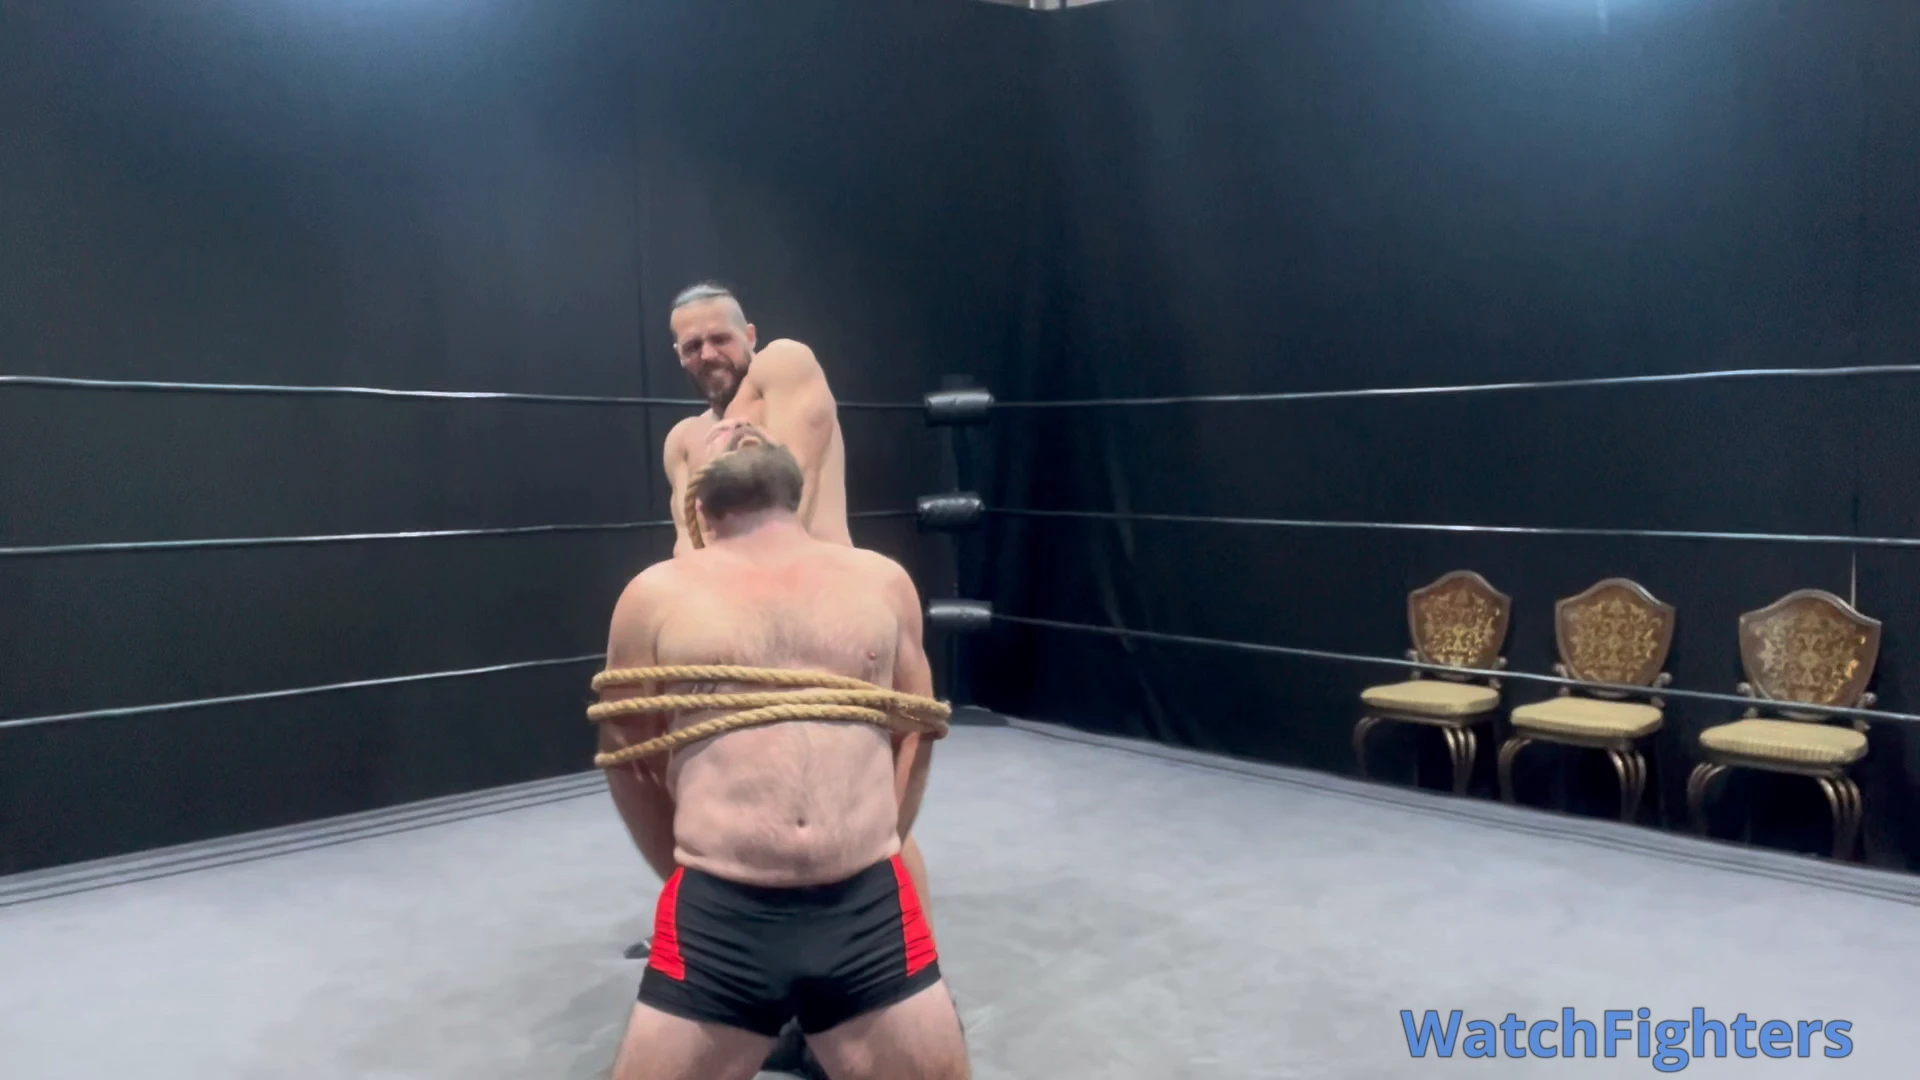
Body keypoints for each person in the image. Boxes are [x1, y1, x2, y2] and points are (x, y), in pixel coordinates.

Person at [597, 425, 969, 1080]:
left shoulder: (881, 580)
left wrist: (874, 837)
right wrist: (694, 868)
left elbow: (918, 727)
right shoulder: (655, 594)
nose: (738, 429)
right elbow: (627, 756)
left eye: (752, 427)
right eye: (717, 434)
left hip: (866, 907)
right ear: (692, 500)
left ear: (801, 482)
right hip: (719, 915)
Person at [656, 282, 938, 932]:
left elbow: (787, 499)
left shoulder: (783, 366)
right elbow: (686, 544)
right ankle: (737, 945)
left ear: (749, 335)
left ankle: (914, 956)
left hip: (828, 622)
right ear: (678, 355)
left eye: (720, 337)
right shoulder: (682, 439)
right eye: (692, 345)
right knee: (729, 794)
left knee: (866, 799)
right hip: (736, 636)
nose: (707, 353)